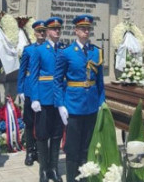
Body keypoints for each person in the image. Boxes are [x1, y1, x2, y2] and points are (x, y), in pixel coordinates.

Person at [54, 14, 105, 182]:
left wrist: (101, 102)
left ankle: (84, 178)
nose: (86, 31)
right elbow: (57, 80)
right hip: (73, 106)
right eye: (82, 28)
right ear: (75, 30)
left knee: (87, 147)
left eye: (88, 28)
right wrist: (60, 105)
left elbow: (99, 82)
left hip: (91, 106)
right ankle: (71, 178)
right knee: (73, 148)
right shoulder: (66, 53)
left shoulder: (96, 52)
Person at [29, 17, 66, 182]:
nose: (57, 32)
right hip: (43, 98)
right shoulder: (39, 50)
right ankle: (43, 170)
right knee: (43, 135)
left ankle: (54, 169)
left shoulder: (63, 50)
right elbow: (34, 76)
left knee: (57, 134)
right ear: (48, 32)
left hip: (59, 100)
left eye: (59, 29)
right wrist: (34, 98)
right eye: (53, 29)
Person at [17, 20, 47, 166]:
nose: (41, 33)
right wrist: (20, 89)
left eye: (43, 31)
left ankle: (41, 152)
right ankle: (30, 151)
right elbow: (22, 71)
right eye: (39, 31)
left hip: (44, 91)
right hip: (30, 89)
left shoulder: (49, 49)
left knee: (42, 123)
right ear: (34, 33)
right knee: (29, 122)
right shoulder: (28, 49)